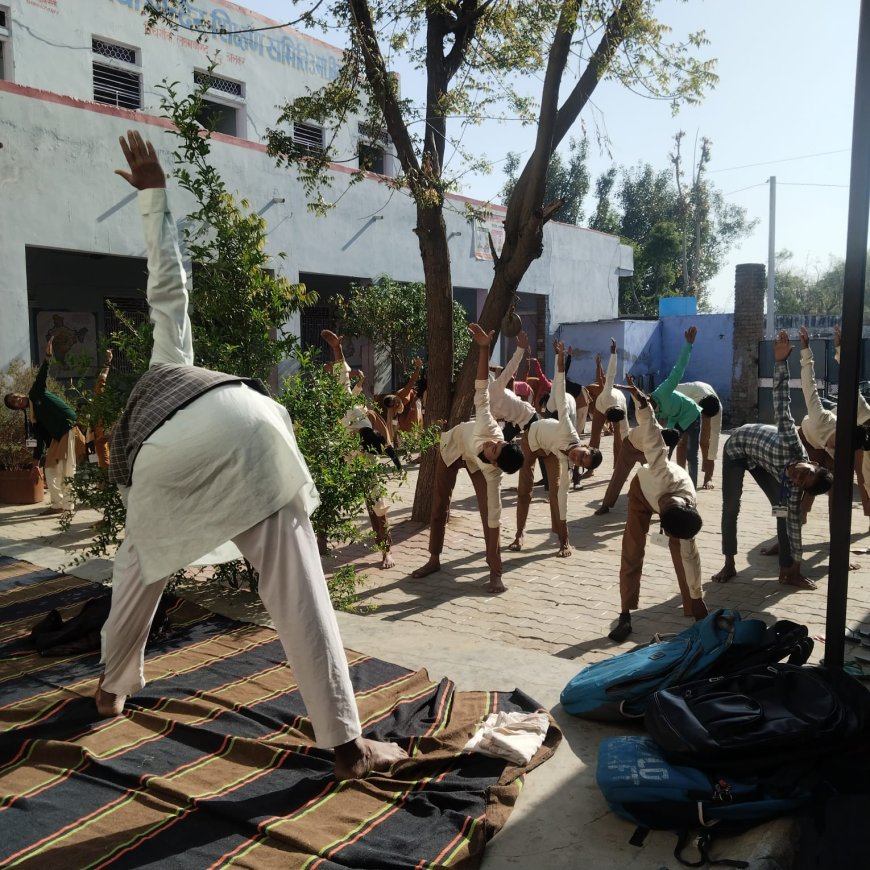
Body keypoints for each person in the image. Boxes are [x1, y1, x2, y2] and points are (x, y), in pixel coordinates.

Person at [95, 131, 407, 780]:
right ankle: (348, 747)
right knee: (296, 581)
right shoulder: (170, 365)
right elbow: (168, 283)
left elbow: (136, 582)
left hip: (177, 464)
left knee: (140, 573)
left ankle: (110, 692)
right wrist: (155, 196)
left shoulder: (135, 452)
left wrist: (113, 679)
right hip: (252, 421)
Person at [712, 330, 833, 592]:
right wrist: (780, 363)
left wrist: (795, 570)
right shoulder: (792, 443)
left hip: (760, 460)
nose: (796, 475)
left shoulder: (792, 488)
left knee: (783, 510)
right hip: (737, 448)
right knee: (731, 505)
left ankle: (784, 563)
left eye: (801, 481)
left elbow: (795, 523)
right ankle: (729, 562)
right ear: (812, 463)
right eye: (805, 471)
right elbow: (782, 404)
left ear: (802, 488)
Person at [412, 324, 524, 593]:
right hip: (454, 447)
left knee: (488, 515)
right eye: (498, 442)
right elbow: (482, 388)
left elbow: (495, 518)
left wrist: (496, 575)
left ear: (495, 464)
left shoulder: (494, 474)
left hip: (475, 463)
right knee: (440, 505)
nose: (493, 442)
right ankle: (434, 559)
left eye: (494, 449)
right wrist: (483, 348)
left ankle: (495, 571)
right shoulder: (488, 426)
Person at [608, 376, 709, 643]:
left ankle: (693, 606)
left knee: (683, 553)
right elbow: (651, 430)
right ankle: (625, 614)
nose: (662, 504)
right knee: (632, 549)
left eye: (664, 507)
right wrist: (641, 403)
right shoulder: (662, 470)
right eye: (665, 505)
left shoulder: (687, 518)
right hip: (641, 492)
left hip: (673, 516)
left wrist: (699, 597)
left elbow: (693, 559)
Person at [509, 339, 603, 557]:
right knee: (525, 491)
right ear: (585, 446)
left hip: (550, 451)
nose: (576, 459)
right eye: (582, 455)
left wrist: (566, 541)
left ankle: (558, 535)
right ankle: (519, 534)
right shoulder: (569, 431)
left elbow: (564, 497)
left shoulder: (568, 462)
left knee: (556, 492)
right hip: (531, 440)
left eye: (580, 463)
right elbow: (559, 396)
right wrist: (560, 363)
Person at [321, 330, 399, 570]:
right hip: (339, 456)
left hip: (360, 462)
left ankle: (386, 550)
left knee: (377, 504)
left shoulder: (368, 450)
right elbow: (342, 377)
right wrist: (337, 349)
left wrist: (395, 462)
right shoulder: (351, 411)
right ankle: (320, 542)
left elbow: (386, 448)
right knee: (326, 496)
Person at [4, 337, 85, 513]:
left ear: (20, 394)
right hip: (57, 436)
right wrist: (35, 465)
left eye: (15, 397)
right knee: (49, 469)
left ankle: (68, 506)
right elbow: (39, 440)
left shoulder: (35, 393)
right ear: (16, 408)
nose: (16, 400)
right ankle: (57, 505)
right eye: (13, 402)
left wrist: (48, 356)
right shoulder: (34, 417)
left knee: (67, 468)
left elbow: (42, 375)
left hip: (67, 427)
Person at [649, 327, 703, 488]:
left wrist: (688, 345)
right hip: (675, 419)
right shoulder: (650, 412)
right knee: (666, 450)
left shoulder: (663, 390)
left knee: (691, 454)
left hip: (691, 414)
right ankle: (663, 482)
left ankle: (691, 487)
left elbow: (678, 370)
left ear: (649, 398)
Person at [489, 331, 538, 443]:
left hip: (528, 416)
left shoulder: (494, 388)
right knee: (500, 445)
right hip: (513, 422)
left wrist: (520, 348)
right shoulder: (483, 405)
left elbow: (510, 369)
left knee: (539, 449)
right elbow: (491, 424)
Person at [588, 339, 629, 471]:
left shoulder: (620, 410)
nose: (604, 380)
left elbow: (622, 437)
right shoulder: (607, 389)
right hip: (602, 405)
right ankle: (590, 468)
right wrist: (613, 354)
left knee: (619, 440)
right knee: (594, 438)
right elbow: (610, 373)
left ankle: (617, 467)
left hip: (618, 406)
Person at [673, 380, 722, 489]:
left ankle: (708, 477)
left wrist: (708, 476)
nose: (702, 419)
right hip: (685, 408)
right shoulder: (683, 391)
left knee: (706, 442)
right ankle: (681, 476)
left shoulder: (716, 410)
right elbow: (666, 393)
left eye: (705, 418)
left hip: (704, 403)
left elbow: (714, 440)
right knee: (682, 442)